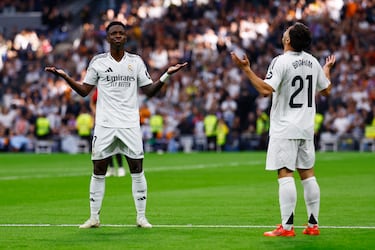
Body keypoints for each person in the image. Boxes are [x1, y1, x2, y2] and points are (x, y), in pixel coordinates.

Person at [45, 21, 187, 229]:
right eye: (114, 33)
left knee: (136, 167)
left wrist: (166, 75)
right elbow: (85, 91)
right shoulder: (98, 62)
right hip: (105, 124)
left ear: (126, 37)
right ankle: (94, 217)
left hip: (130, 123)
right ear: (108, 38)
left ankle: (141, 217)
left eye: (121, 33)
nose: (118, 36)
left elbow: (149, 91)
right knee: (99, 168)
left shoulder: (136, 62)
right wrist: (66, 77)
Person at [231, 22, 336, 237]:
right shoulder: (313, 61)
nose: (283, 33)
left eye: (286, 31)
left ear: (288, 40)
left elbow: (265, 90)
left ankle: (287, 228)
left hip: (285, 128)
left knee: (285, 174)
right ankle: (313, 225)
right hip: (306, 128)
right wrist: (325, 70)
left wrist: (246, 70)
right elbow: (326, 90)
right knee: (308, 174)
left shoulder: (280, 62)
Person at [90, 88, 125, 177]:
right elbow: (92, 103)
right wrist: (96, 112)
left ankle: (120, 167)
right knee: (106, 146)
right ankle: (111, 168)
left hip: (115, 120)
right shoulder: (98, 91)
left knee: (116, 144)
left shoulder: (114, 89)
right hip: (103, 122)